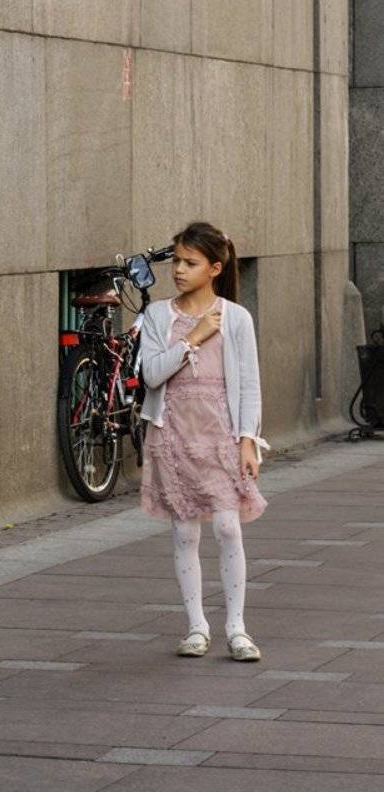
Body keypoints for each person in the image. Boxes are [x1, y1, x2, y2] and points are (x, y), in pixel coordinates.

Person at [138, 221, 268, 662]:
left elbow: (249, 384)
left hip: (220, 436)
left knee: (229, 527)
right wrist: (191, 338)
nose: (178, 269)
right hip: (172, 434)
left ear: (214, 268)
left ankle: (237, 628)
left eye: (190, 263)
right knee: (184, 532)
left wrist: (248, 439)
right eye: (176, 261)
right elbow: (152, 375)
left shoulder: (236, 318)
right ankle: (196, 627)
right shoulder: (158, 316)